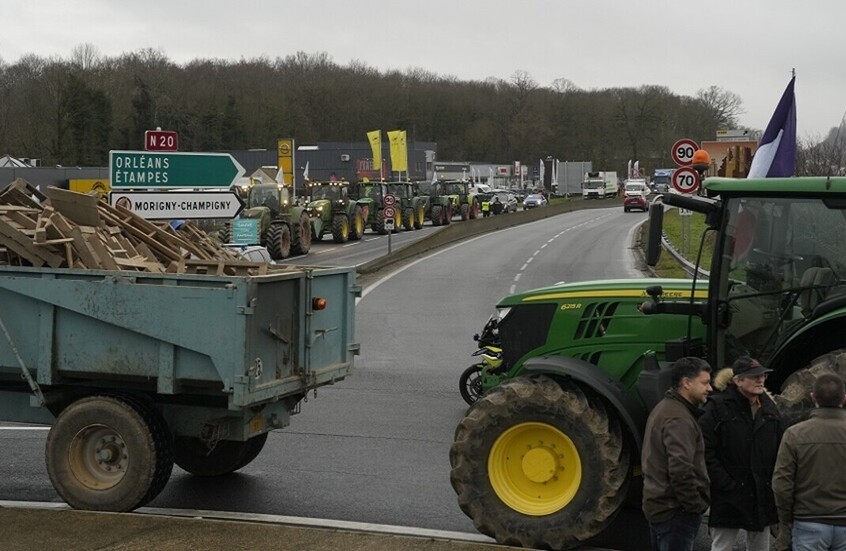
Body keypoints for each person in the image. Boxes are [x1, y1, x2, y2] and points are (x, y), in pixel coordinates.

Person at [699, 357, 784, 551]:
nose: (760, 380)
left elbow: (781, 448)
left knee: (761, 547)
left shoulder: (769, 408)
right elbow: (705, 450)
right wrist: (725, 483)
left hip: (761, 493)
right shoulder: (717, 407)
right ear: (738, 381)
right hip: (729, 495)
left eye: (762, 375)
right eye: (754, 376)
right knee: (722, 547)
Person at [642, 356, 713, 551]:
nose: (710, 388)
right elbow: (680, 469)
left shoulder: (666, 408)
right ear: (687, 383)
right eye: (705, 383)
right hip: (675, 513)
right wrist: (694, 506)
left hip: (661, 509)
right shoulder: (678, 419)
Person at [772, 373, 846, 551]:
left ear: (813, 398)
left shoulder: (794, 434)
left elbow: (781, 484)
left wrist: (786, 519)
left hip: (808, 520)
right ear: (843, 399)